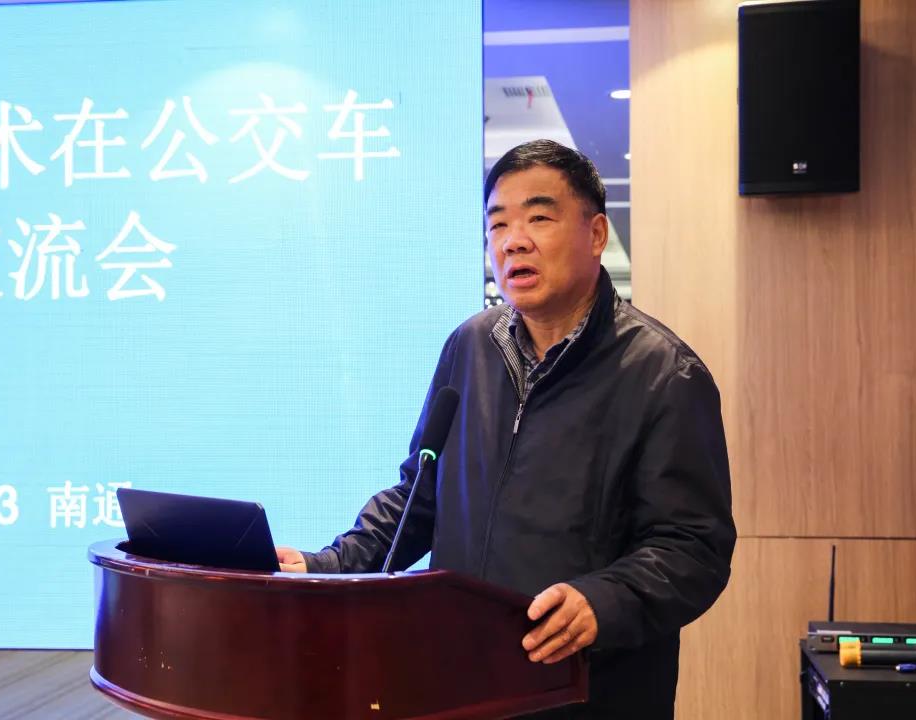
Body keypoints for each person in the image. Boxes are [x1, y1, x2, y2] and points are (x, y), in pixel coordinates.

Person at [277, 139, 736, 719]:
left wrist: (604, 601)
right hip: (460, 686)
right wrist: (326, 567)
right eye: (497, 224)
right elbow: (421, 495)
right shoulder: (469, 346)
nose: (513, 240)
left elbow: (694, 547)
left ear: (596, 234)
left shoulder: (663, 373)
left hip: (587, 692)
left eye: (539, 218)